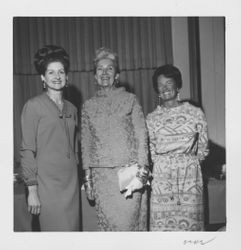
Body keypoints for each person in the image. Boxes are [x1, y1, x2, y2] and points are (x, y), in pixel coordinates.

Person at [81, 47, 149, 231]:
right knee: (110, 229)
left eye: (109, 68)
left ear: (117, 75)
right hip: (102, 179)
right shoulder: (88, 106)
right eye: (100, 69)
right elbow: (86, 144)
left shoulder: (130, 99)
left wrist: (142, 174)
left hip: (128, 174)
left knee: (128, 226)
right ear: (95, 76)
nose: (104, 73)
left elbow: (142, 136)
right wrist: (88, 180)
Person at [20, 45, 79, 231]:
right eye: (51, 72)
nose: (57, 76)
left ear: (67, 76)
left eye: (61, 71)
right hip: (46, 184)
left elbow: (74, 147)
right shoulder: (33, 106)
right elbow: (27, 149)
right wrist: (32, 190)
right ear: (43, 78)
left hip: (71, 182)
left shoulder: (72, 108)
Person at [146, 64, 209, 231]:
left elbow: (203, 148)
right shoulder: (151, 118)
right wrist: (165, 166)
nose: (164, 88)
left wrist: (187, 165)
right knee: (163, 227)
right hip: (162, 179)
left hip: (190, 178)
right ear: (156, 89)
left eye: (169, 83)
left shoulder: (195, 113)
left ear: (178, 84)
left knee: (190, 229)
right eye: (160, 84)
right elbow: (151, 150)